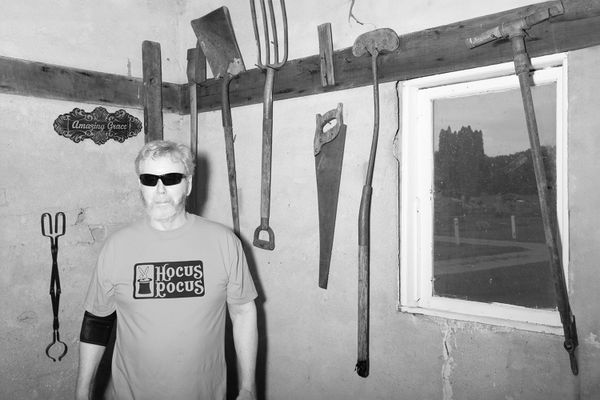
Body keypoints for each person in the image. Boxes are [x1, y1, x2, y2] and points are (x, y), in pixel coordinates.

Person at [75, 140, 258, 400]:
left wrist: (248, 387)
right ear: (140, 186)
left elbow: (243, 313)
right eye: (149, 179)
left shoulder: (224, 242)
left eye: (171, 178)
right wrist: (82, 391)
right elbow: (96, 320)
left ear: (188, 184)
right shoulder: (117, 247)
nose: (160, 190)